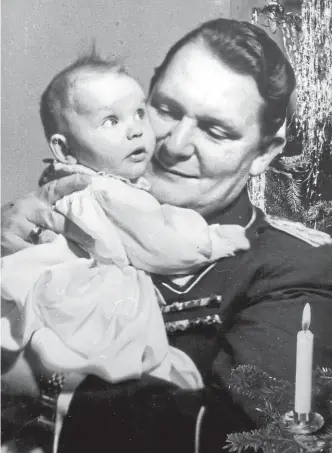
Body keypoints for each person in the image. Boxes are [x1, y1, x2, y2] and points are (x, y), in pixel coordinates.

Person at [2, 17, 332, 453]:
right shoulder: (56, 215)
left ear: (264, 153)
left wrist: (36, 382)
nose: (173, 145)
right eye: (165, 110)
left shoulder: (301, 266)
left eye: (216, 131)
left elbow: (230, 433)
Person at [2, 56, 251, 393]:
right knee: (132, 359)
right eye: (110, 121)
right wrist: (214, 239)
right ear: (64, 149)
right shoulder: (106, 191)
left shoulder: (79, 183)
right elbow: (162, 246)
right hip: (84, 296)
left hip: (57, 292)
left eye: (139, 113)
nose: (135, 129)